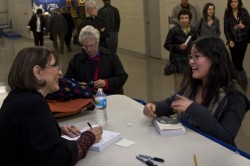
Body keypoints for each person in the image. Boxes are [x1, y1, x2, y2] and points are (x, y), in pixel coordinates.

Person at [0, 46, 103, 165]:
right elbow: (59, 158)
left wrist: (54, 131)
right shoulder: (33, 104)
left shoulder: (16, 97)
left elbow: (28, 135)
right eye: (55, 66)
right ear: (37, 72)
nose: (60, 72)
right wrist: (89, 137)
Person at [144, 36, 249, 146]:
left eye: (197, 56)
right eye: (190, 57)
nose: (191, 62)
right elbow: (171, 103)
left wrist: (194, 109)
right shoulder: (195, 84)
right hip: (188, 146)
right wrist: (154, 107)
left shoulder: (235, 96)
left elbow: (226, 138)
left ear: (215, 58)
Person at [64, 25, 128, 95]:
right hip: (86, 96)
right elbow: (66, 80)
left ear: (97, 43)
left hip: (109, 95)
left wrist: (106, 83)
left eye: (92, 45)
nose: (89, 49)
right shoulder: (76, 60)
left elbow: (122, 77)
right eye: (85, 46)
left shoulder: (111, 57)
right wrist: (78, 85)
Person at [224, 0, 250, 91]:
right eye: (231, 1)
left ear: (239, 2)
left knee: (238, 65)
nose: (233, 3)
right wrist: (230, 40)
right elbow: (226, 29)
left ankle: (243, 84)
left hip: (243, 42)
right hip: (233, 43)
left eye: (235, 1)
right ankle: (236, 85)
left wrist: (243, 27)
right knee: (234, 64)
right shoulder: (227, 13)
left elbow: (249, 26)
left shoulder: (244, 12)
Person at [164, 9, 198, 74]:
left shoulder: (194, 31)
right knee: (179, 82)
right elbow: (166, 45)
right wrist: (178, 47)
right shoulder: (173, 31)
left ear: (189, 19)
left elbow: (196, 44)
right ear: (179, 19)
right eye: (182, 18)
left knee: (190, 82)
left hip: (190, 60)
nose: (184, 20)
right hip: (177, 62)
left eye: (186, 18)